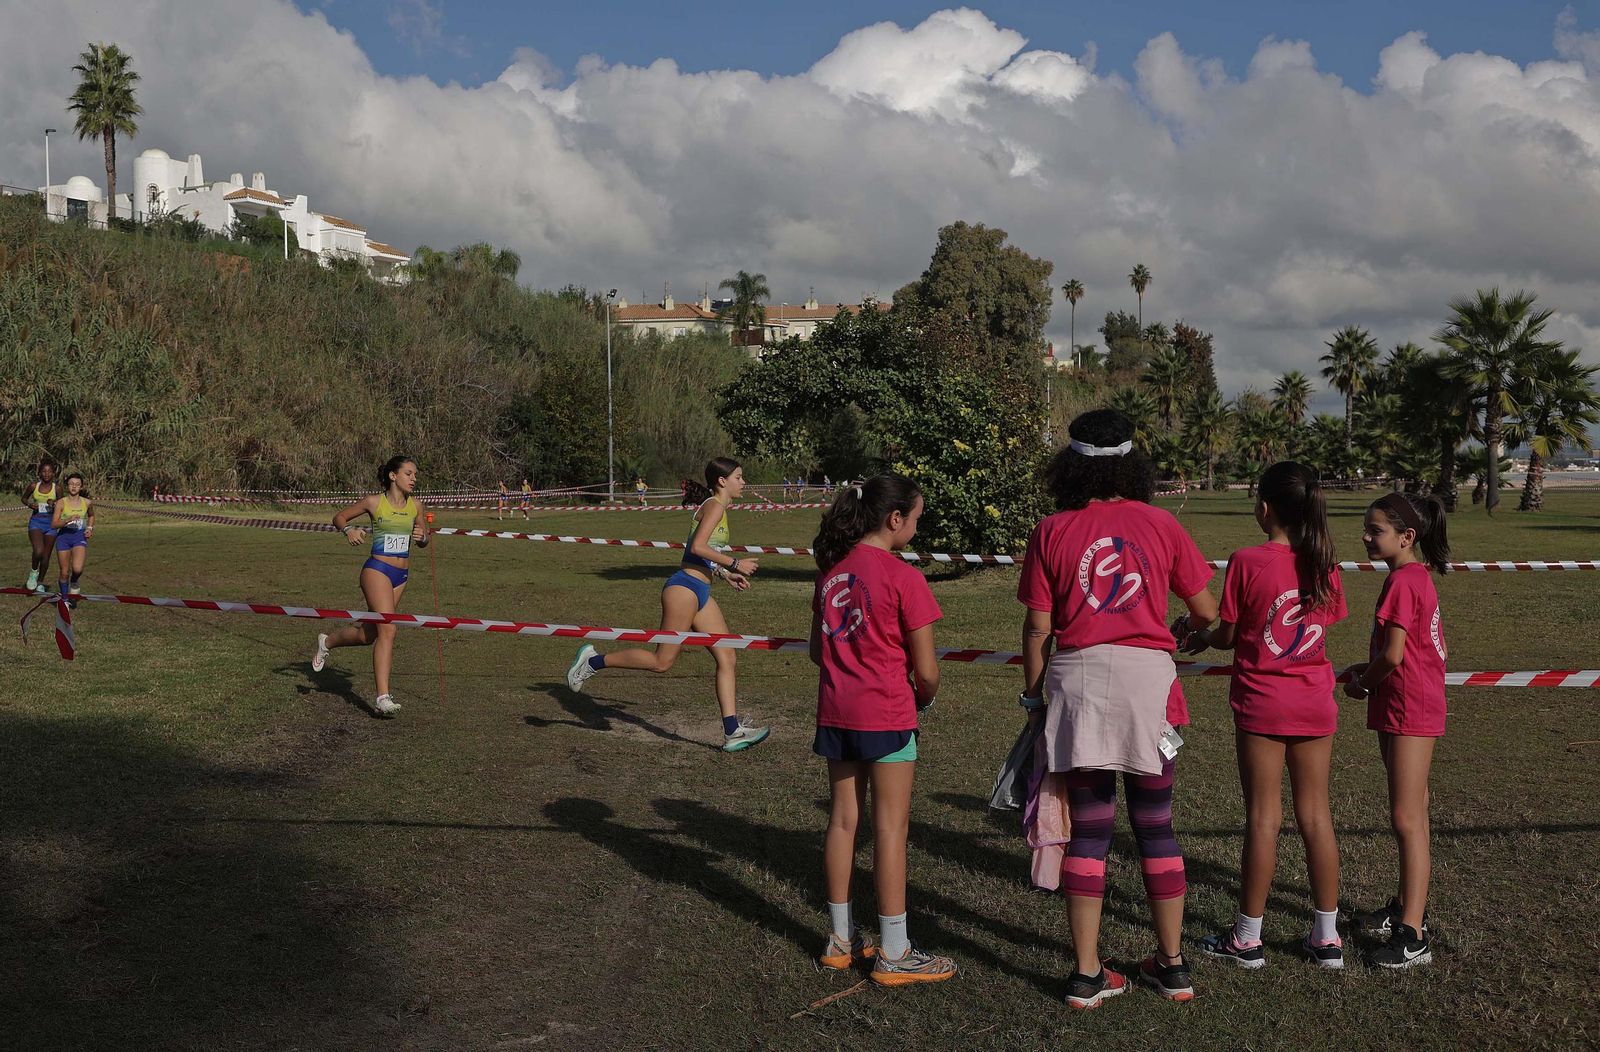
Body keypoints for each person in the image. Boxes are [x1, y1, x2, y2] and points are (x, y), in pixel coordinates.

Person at [1016, 408, 1217, 1010]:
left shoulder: (1051, 530)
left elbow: (1036, 628)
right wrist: (1185, 630)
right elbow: (1206, 612)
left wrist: (1033, 695)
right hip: (1151, 689)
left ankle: (1086, 973)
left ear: (1070, 466)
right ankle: (1174, 966)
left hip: (1077, 687)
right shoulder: (1161, 523)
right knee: (1155, 826)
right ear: (1134, 462)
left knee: (1090, 832)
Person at [1179, 462, 1347, 970]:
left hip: (1262, 702)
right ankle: (1326, 937)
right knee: (1316, 816)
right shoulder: (1325, 563)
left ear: (1266, 508)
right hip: (1314, 699)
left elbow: (1227, 633)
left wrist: (1193, 633)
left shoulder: (1247, 561)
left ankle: (1247, 938)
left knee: (1263, 818)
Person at [810, 475, 957, 986]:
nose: (916, 526)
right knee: (890, 828)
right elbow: (928, 670)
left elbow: (816, 649)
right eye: (916, 518)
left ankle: (839, 940)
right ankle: (895, 951)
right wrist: (925, 698)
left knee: (843, 822)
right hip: (889, 714)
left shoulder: (831, 574)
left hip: (836, 713)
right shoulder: (904, 578)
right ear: (895, 520)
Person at [566, 457, 770, 752]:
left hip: (700, 589)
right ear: (722, 481)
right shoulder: (714, 506)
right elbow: (697, 547)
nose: (744, 482)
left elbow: (701, 555)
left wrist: (726, 574)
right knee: (662, 662)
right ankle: (593, 661)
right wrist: (736, 562)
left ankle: (732, 730)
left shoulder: (719, 508)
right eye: (739, 477)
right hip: (684, 589)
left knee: (727, 657)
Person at [1343, 492, 1450, 969]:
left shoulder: (1404, 581)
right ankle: (1406, 906)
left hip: (1411, 707)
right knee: (1415, 815)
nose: (1366, 537)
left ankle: (1413, 934)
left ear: (1407, 537)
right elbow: (1395, 650)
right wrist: (1368, 670)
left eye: (1376, 531)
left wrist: (1363, 684)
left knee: (1407, 819)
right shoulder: (1409, 577)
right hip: (1402, 702)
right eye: (1366, 529)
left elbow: (1395, 656)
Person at [311, 455, 431, 717]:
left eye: (415, 475)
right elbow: (339, 517)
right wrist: (349, 531)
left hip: (401, 576)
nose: (414, 479)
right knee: (388, 629)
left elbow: (424, 538)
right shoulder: (374, 502)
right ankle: (383, 698)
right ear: (393, 476)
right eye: (409, 474)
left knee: (370, 635)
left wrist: (423, 537)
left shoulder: (416, 506)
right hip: (376, 571)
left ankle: (327, 642)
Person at [48, 472, 94, 606]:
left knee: (78, 569)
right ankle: (65, 599)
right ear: (67, 486)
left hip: (78, 536)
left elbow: (91, 516)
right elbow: (54, 524)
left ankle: (74, 581)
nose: (74, 487)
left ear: (81, 487)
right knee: (64, 572)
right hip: (63, 537)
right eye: (71, 484)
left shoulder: (87, 502)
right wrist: (67, 520)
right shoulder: (61, 503)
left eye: (77, 484)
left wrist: (90, 528)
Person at [21, 458, 58, 594]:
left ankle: (40, 582)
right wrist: (30, 504)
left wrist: (54, 503)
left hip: (51, 523)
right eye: (44, 471)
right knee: (38, 551)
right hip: (36, 521)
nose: (46, 474)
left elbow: (62, 504)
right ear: (39, 473)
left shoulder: (57, 488)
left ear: (53, 473)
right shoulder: (33, 486)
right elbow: (24, 498)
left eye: (49, 471)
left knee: (46, 556)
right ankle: (33, 572)